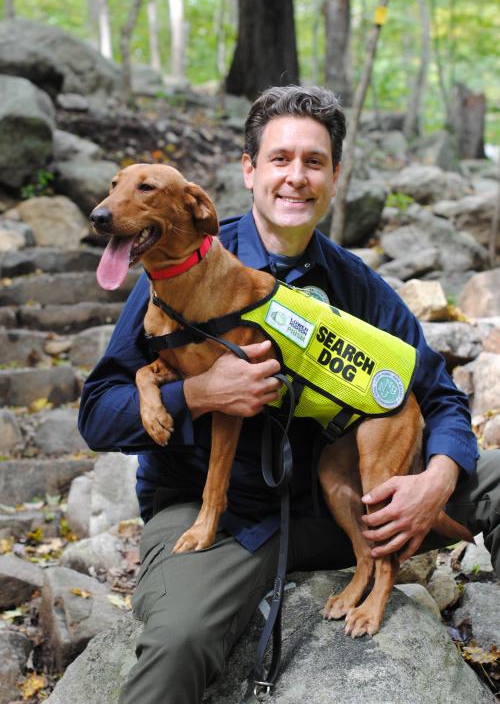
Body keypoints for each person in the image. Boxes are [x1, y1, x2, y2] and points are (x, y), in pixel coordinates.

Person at [78, 85, 499, 704]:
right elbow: (97, 415)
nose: (295, 178)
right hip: (226, 522)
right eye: (279, 159)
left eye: (314, 162)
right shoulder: (177, 269)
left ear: (333, 177)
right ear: (249, 171)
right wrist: (196, 393)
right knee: (180, 641)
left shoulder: (356, 286)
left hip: (342, 504)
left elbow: (435, 394)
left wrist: (436, 478)